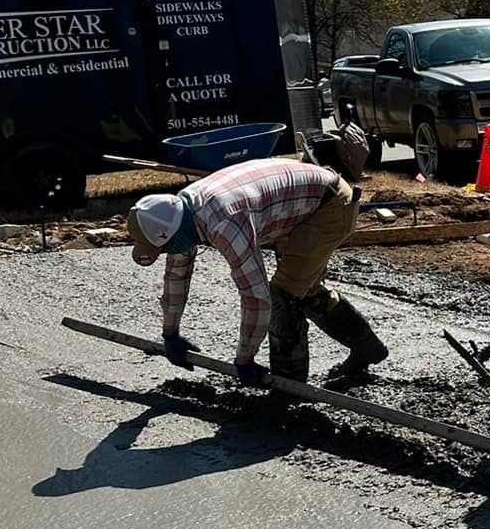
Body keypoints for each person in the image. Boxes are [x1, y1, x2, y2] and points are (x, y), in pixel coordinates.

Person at [127, 158, 389, 386]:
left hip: (329, 204)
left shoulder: (225, 222)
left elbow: (256, 296)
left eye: (164, 248)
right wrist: (170, 333)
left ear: (170, 235)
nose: (166, 253)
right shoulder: (179, 213)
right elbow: (176, 275)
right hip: (299, 205)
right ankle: (367, 348)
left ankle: (289, 385)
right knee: (304, 288)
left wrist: (244, 358)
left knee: (282, 296)